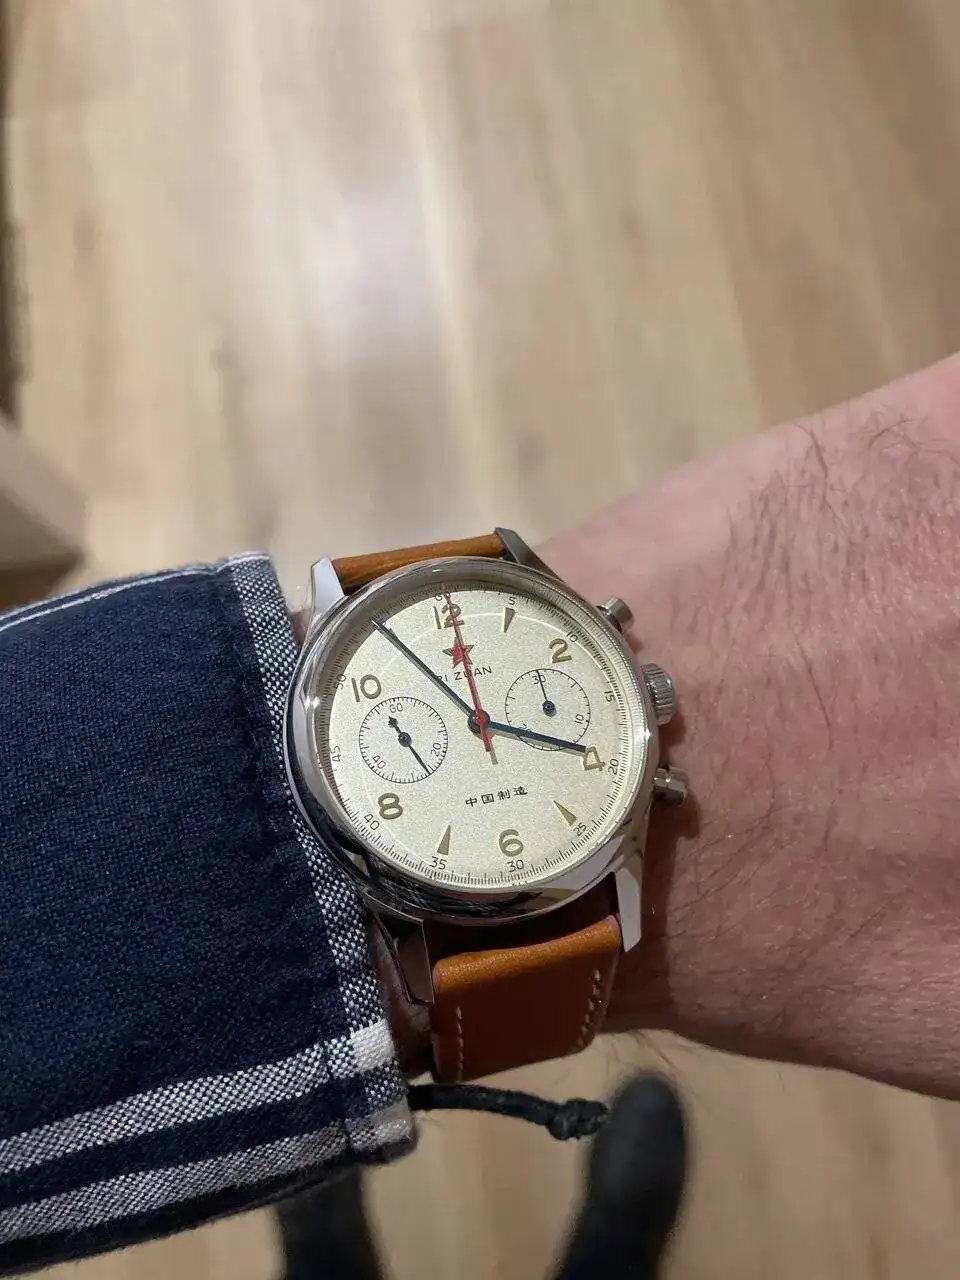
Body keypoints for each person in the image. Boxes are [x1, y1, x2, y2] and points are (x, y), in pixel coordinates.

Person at [3, 349, 960, 1271]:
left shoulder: (619, 756)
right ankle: (588, 1243)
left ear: (648, 698)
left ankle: (334, 1211)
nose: (483, 731)